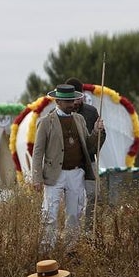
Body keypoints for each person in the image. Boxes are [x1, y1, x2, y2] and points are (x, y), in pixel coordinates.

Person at [30, 85, 105, 249]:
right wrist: (37, 177)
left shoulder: (79, 119)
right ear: (58, 101)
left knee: (74, 214)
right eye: (67, 101)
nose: (72, 104)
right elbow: (38, 152)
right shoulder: (45, 122)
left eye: (72, 100)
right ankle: (46, 249)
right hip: (54, 175)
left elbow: (89, 145)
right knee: (49, 213)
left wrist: (97, 132)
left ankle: (70, 249)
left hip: (76, 173)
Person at [64, 78, 102, 231]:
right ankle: (71, 230)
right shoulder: (60, 113)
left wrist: (100, 132)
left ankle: (88, 230)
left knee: (93, 195)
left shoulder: (91, 112)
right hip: (68, 165)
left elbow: (96, 140)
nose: (76, 101)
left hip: (88, 161)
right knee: (72, 200)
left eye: (79, 96)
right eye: (73, 97)